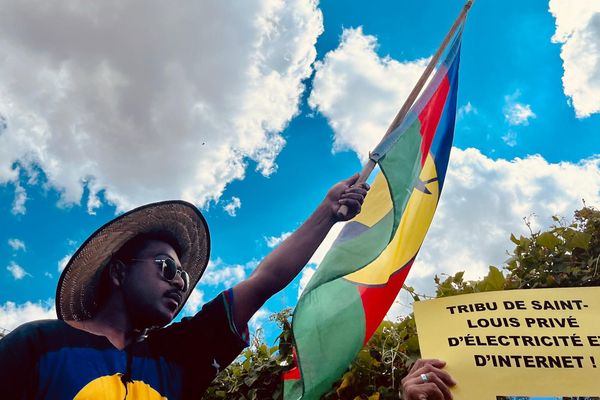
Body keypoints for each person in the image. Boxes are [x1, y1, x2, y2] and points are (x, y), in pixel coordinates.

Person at [0, 174, 369, 399]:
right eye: (165, 267)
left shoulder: (178, 355)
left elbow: (263, 283)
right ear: (117, 272)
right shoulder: (37, 346)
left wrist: (327, 212)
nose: (179, 281)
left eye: (184, 275)